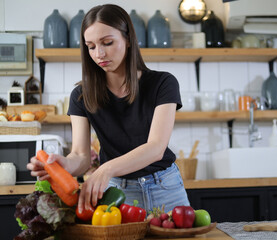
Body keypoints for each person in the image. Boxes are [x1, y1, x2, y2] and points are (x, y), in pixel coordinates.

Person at [27, 4, 190, 214]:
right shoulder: (80, 96)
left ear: (128, 39)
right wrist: (64, 165)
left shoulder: (163, 83)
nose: (99, 54)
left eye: (107, 43)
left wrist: (106, 168)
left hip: (166, 188)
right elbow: (81, 156)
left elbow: (156, 148)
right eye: (91, 46)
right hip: (117, 194)